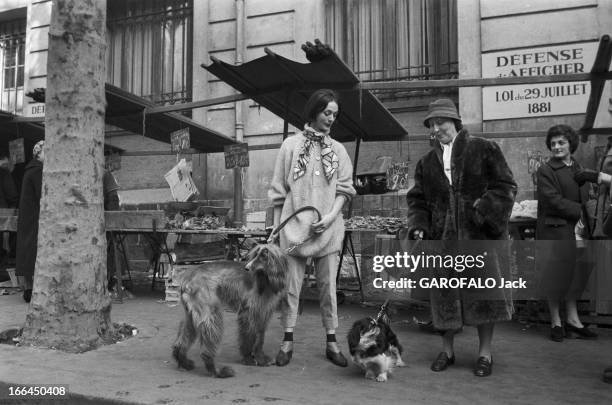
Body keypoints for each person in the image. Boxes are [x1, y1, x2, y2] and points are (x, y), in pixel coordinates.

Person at [406, 98, 517, 377]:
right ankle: (447, 351)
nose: (437, 127)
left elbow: (506, 186)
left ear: (455, 121)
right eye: (432, 123)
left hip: (479, 238)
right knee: (444, 296)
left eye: (441, 121)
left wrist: (482, 212)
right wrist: (419, 225)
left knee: (484, 296)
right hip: (443, 241)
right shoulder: (427, 163)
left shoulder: (484, 149)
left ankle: (485, 353)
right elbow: (417, 200)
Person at [268, 89, 356, 367]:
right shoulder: (290, 146)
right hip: (293, 229)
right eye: (326, 112)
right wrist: (274, 229)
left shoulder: (338, 150)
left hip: (328, 230)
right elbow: (278, 191)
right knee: (291, 287)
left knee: (328, 288)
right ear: (314, 112)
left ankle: (332, 341)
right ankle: (287, 340)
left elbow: (344, 189)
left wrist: (330, 217)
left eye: (334, 115)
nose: (331, 119)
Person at [536, 124, 602, 342]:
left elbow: (588, 193)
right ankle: (556, 321)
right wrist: (582, 211)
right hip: (556, 230)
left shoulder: (577, 168)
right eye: (553, 143)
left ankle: (573, 321)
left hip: (579, 231)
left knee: (576, 277)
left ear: (570, 144)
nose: (557, 147)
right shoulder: (545, 170)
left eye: (561, 142)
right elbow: (551, 200)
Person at [16, 140, 44, 303]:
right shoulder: (37, 170)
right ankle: (31, 289)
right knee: (33, 251)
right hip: (34, 217)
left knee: (28, 250)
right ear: (38, 153)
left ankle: (29, 288)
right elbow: (43, 194)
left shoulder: (30, 169)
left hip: (28, 216)